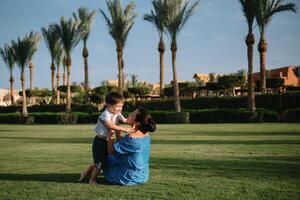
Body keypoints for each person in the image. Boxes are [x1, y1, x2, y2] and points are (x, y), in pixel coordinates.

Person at [79, 92, 133, 184]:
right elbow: (109, 125)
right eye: (118, 106)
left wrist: (134, 124)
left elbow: (125, 120)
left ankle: (84, 173)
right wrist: (124, 129)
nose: (120, 109)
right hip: (99, 142)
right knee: (99, 163)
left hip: (108, 141)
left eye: (121, 106)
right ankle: (92, 179)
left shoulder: (117, 113)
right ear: (109, 105)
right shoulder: (106, 114)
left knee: (102, 160)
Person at [104, 107, 156, 186]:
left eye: (133, 114)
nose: (129, 115)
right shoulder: (146, 135)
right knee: (116, 158)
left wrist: (111, 131)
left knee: (106, 157)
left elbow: (111, 151)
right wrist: (118, 127)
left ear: (137, 123)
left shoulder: (132, 138)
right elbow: (122, 144)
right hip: (143, 176)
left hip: (129, 178)